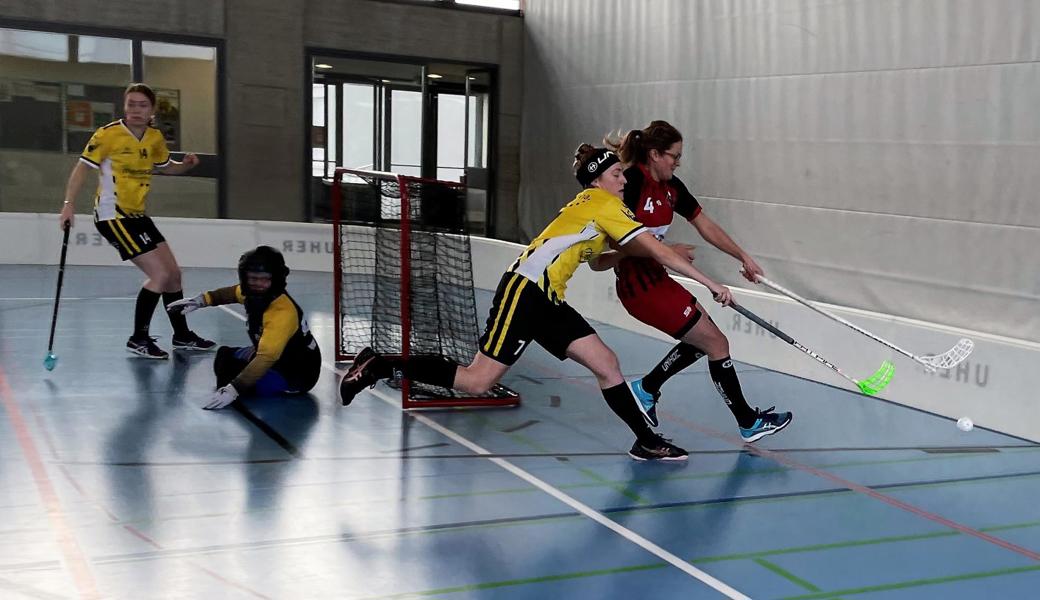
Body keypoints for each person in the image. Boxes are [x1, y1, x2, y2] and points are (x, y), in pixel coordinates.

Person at [340, 144, 736, 462]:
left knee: (607, 363)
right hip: (525, 291)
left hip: (548, 299)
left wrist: (639, 253)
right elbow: (661, 254)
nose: (623, 179)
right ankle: (381, 364)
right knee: (479, 381)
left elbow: (599, 262)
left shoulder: (592, 207)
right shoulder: (605, 205)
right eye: (616, 174)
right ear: (598, 180)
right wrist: (711, 284)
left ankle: (646, 441)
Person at [598, 120, 792, 442]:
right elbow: (616, 241)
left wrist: (742, 256)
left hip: (658, 280)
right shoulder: (632, 182)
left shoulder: (672, 187)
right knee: (715, 343)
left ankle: (646, 389)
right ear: (655, 154)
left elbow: (705, 224)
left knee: (704, 340)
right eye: (674, 156)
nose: (677, 162)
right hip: (639, 287)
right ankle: (747, 422)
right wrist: (668, 250)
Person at [58, 82, 213, 359]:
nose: (136, 110)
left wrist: (186, 165)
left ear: (152, 109)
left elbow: (167, 169)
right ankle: (138, 338)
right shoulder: (107, 135)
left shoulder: (154, 138)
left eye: (142, 105)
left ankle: (182, 335)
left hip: (138, 216)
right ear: (125, 106)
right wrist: (68, 205)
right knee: (159, 275)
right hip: (113, 216)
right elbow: (81, 169)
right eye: (131, 104)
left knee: (174, 274)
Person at [167, 246, 322, 410]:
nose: (257, 284)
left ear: (275, 279)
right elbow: (230, 293)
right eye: (252, 278)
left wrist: (233, 390)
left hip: (295, 374)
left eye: (264, 279)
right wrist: (199, 301)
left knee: (234, 374)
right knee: (224, 356)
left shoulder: (282, 313)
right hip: (278, 357)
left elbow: (265, 358)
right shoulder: (252, 294)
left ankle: (250, 388)